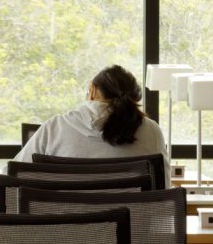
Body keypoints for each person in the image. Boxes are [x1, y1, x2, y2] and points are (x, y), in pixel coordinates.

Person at [15, 63, 170, 174]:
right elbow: (163, 191)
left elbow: (12, 176)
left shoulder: (55, 127)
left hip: (64, 218)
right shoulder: (151, 131)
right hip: (132, 219)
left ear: (92, 90)